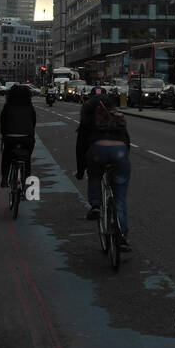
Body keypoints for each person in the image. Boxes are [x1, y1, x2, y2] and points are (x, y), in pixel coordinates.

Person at [75, 85, 131, 250]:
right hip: (120, 153)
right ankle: (121, 237)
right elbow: (127, 141)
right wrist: (123, 161)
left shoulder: (88, 118)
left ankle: (96, 206)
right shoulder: (116, 115)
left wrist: (80, 170)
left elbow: (80, 147)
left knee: (94, 175)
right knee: (119, 198)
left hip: (97, 151)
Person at [0, 84, 37, 187]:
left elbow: (3, 122)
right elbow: (33, 122)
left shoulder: (7, 107)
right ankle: (26, 182)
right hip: (26, 137)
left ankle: (4, 178)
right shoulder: (29, 107)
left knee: (6, 154)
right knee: (27, 156)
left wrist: (4, 135)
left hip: (10, 137)